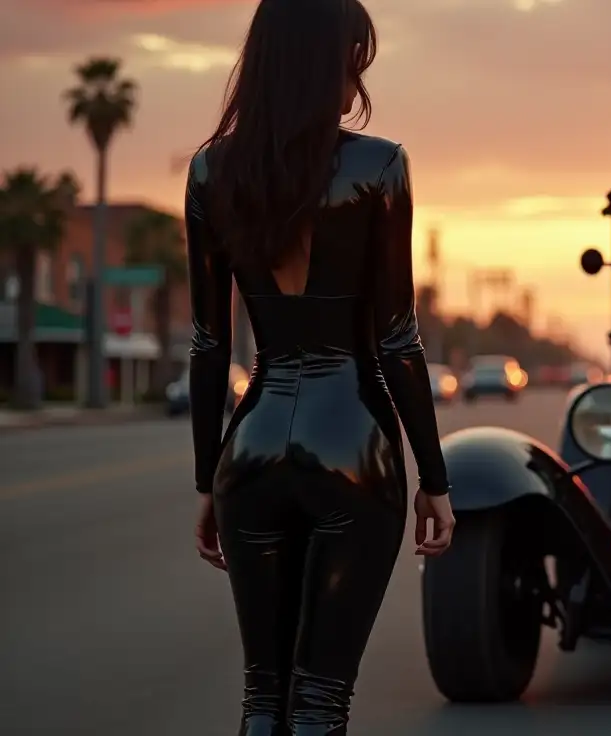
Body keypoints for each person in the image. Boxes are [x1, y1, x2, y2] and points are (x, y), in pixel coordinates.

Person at [184, 1, 456, 733]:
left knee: (262, 698)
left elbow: (209, 346)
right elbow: (398, 340)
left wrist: (210, 477)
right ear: (328, 64)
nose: (356, 79)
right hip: (354, 444)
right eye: (352, 60)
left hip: (253, 444)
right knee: (319, 701)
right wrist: (435, 481)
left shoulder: (211, 171)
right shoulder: (379, 165)